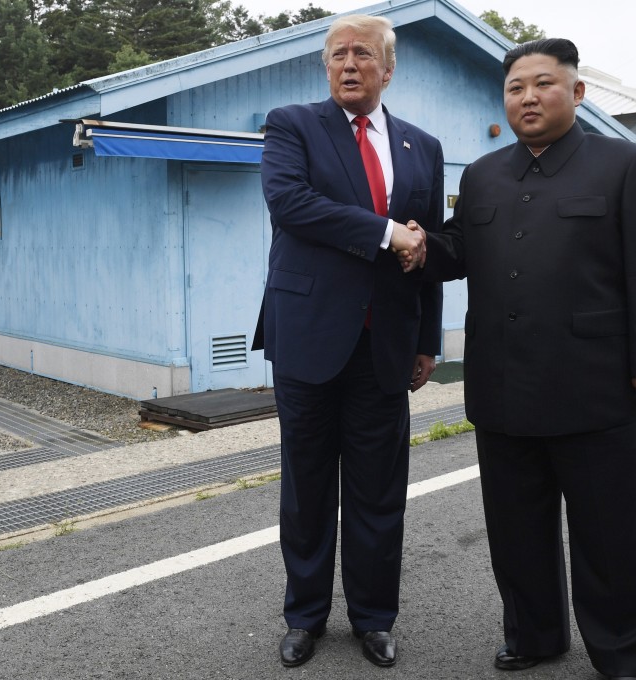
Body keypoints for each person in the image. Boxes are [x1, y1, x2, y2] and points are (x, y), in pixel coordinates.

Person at [421, 38, 636, 680]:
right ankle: (534, 635)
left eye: (543, 84)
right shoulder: (483, 174)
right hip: (501, 384)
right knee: (516, 529)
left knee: (614, 531)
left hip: (595, 384)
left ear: (576, 93)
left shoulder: (621, 163)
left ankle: (627, 651)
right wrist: (412, 242)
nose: (528, 97)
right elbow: (458, 253)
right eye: (516, 88)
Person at [251, 13, 445, 669]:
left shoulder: (422, 146)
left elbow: (428, 250)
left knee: (378, 491)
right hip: (308, 336)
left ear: (388, 69)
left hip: (386, 342)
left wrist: (426, 339)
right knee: (307, 487)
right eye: (337, 54)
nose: (349, 63)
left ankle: (374, 618)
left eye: (362, 53)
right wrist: (387, 233)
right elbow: (290, 204)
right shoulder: (291, 126)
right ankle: (304, 616)